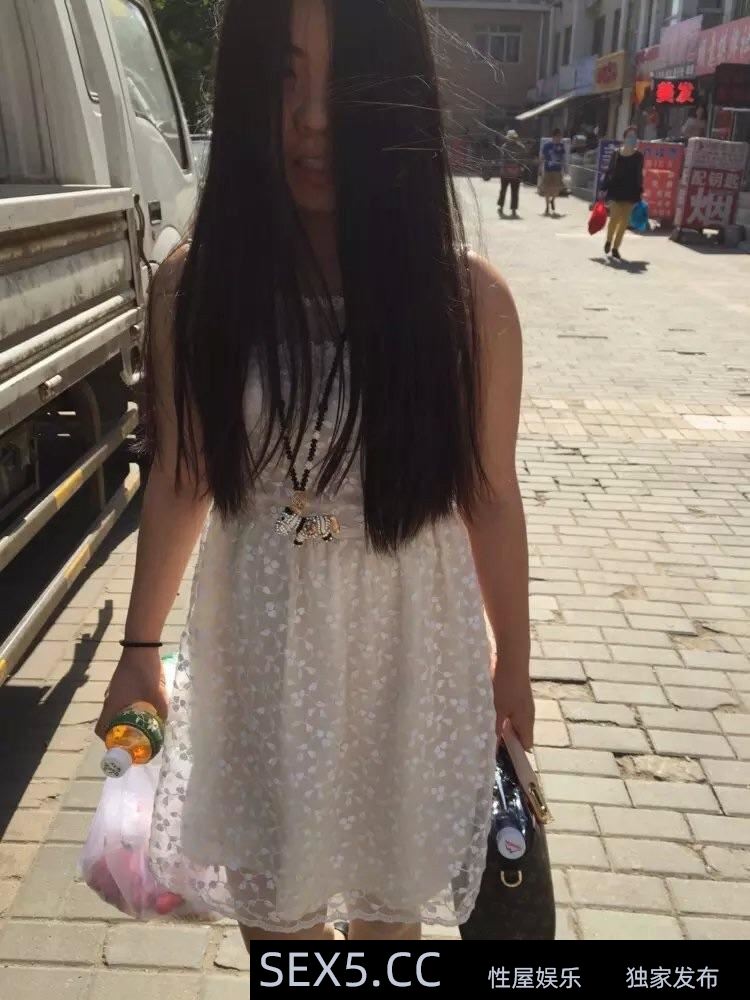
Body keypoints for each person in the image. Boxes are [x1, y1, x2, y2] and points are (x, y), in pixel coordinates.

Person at [95, 0, 533, 945]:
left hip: (407, 654)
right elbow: (182, 475)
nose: (314, 117)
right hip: (259, 647)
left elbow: (492, 498)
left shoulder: (466, 305)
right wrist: (139, 649)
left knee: (387, 926)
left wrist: (516, 665)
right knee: (280, 929)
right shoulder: (197, 288)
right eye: (285, 75)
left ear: (401, 95)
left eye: (347, 80)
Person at [601, 126, 644, 261]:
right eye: (629, 136)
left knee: (624, 222)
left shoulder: (639, 156)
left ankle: (615, 248)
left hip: (630, 193)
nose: (632, 139)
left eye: (634, 137)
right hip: (615, 191)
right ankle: (609, 240)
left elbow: (639, 175)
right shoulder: (616, 153)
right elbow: (609, 172)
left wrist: (640, 192)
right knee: (614, 219)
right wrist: (604, 187)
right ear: (624, 138)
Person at [497, 129, 526, 218]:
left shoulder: (520, 147)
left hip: (514, 172)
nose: (512, 139)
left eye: (513, 138)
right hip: (507, 172)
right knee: (504, 191)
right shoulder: (505, 147)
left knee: (513, 191)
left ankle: (513, 210)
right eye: (511, 138)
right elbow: (502, 159)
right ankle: (502, 207)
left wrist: (521, 168)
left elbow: (522, 160)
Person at [539, 128, 566, 216]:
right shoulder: (547, 145)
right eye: (558, 136)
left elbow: (563, 158)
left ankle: (553, 200)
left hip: (557, 170)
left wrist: (565, 169)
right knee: (547, 189)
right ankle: (547, 207)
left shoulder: (561, 146)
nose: (559, 138)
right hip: (548, 170)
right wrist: (540, 167)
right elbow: (542, 157)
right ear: (554, 136)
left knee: (557, 188)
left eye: (560, 137)